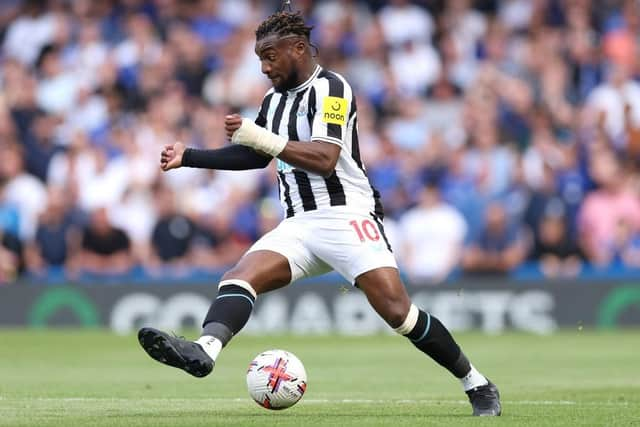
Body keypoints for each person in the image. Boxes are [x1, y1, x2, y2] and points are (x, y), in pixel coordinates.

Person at [137, 10, 501, 417]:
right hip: (299, 224)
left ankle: (477, 383)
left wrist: (259, 135)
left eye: (270, 56)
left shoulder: (333, 88)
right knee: (239, 277)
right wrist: (191, 156)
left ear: (298, 48)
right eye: (260, 58)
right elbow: (258, 156)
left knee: (399, 314)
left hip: (347, 216)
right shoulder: (273, 101)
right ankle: (203, 350)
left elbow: (325, 158)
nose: (264, 67)